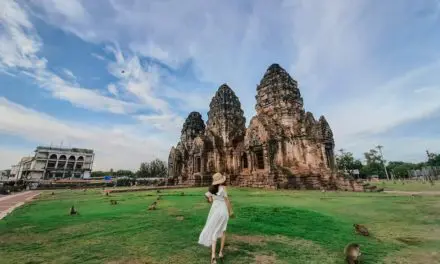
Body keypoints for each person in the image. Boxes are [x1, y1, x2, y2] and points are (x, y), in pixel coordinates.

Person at [198, 172, 234, 264]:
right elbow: (227, 201)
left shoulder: (211, 189)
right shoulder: (223, 188)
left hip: (214, 211)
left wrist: (210, 199)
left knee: (214, 231)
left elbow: (209, 199)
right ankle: (221, 252)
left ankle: (213, 256)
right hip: (223, 211)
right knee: (223, 231)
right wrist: (231, 211)